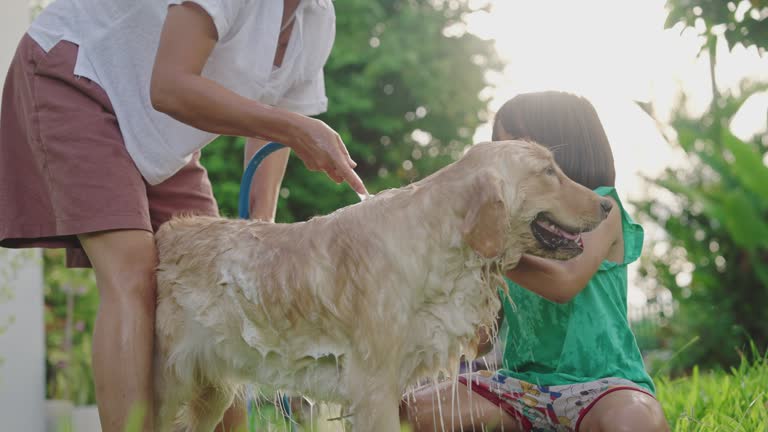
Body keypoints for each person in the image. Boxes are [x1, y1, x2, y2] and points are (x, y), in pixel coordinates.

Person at [0, 1, 367, 431]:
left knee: (219, 282)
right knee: (133, 274)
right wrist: (290, 127)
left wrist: (257, 232)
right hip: (81, 77)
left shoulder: (316, 16)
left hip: (158, 131)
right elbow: (171, 88)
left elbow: (278, 123)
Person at [400, 91, 669, 431]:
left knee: (632, 419)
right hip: (523, 390)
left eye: (517, 142)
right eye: (498, 143)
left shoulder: (602, 209)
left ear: (562, 147)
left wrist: (490, 249)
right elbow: (482, 341)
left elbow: (563, 282)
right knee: (419, 408)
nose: (501, 154)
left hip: (603, 385)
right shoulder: (504, 230)